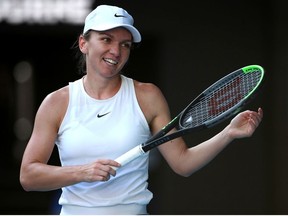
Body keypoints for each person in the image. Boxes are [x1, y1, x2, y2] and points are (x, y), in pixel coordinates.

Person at [19, 4, 263, 215]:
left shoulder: (147, 96)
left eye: (125, 44)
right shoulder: (57, 102)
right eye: (106, 39)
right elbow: (28, 177)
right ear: (84, 43)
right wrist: (83, 172)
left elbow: (183, 163)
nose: (116, 51)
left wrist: (229, 133)